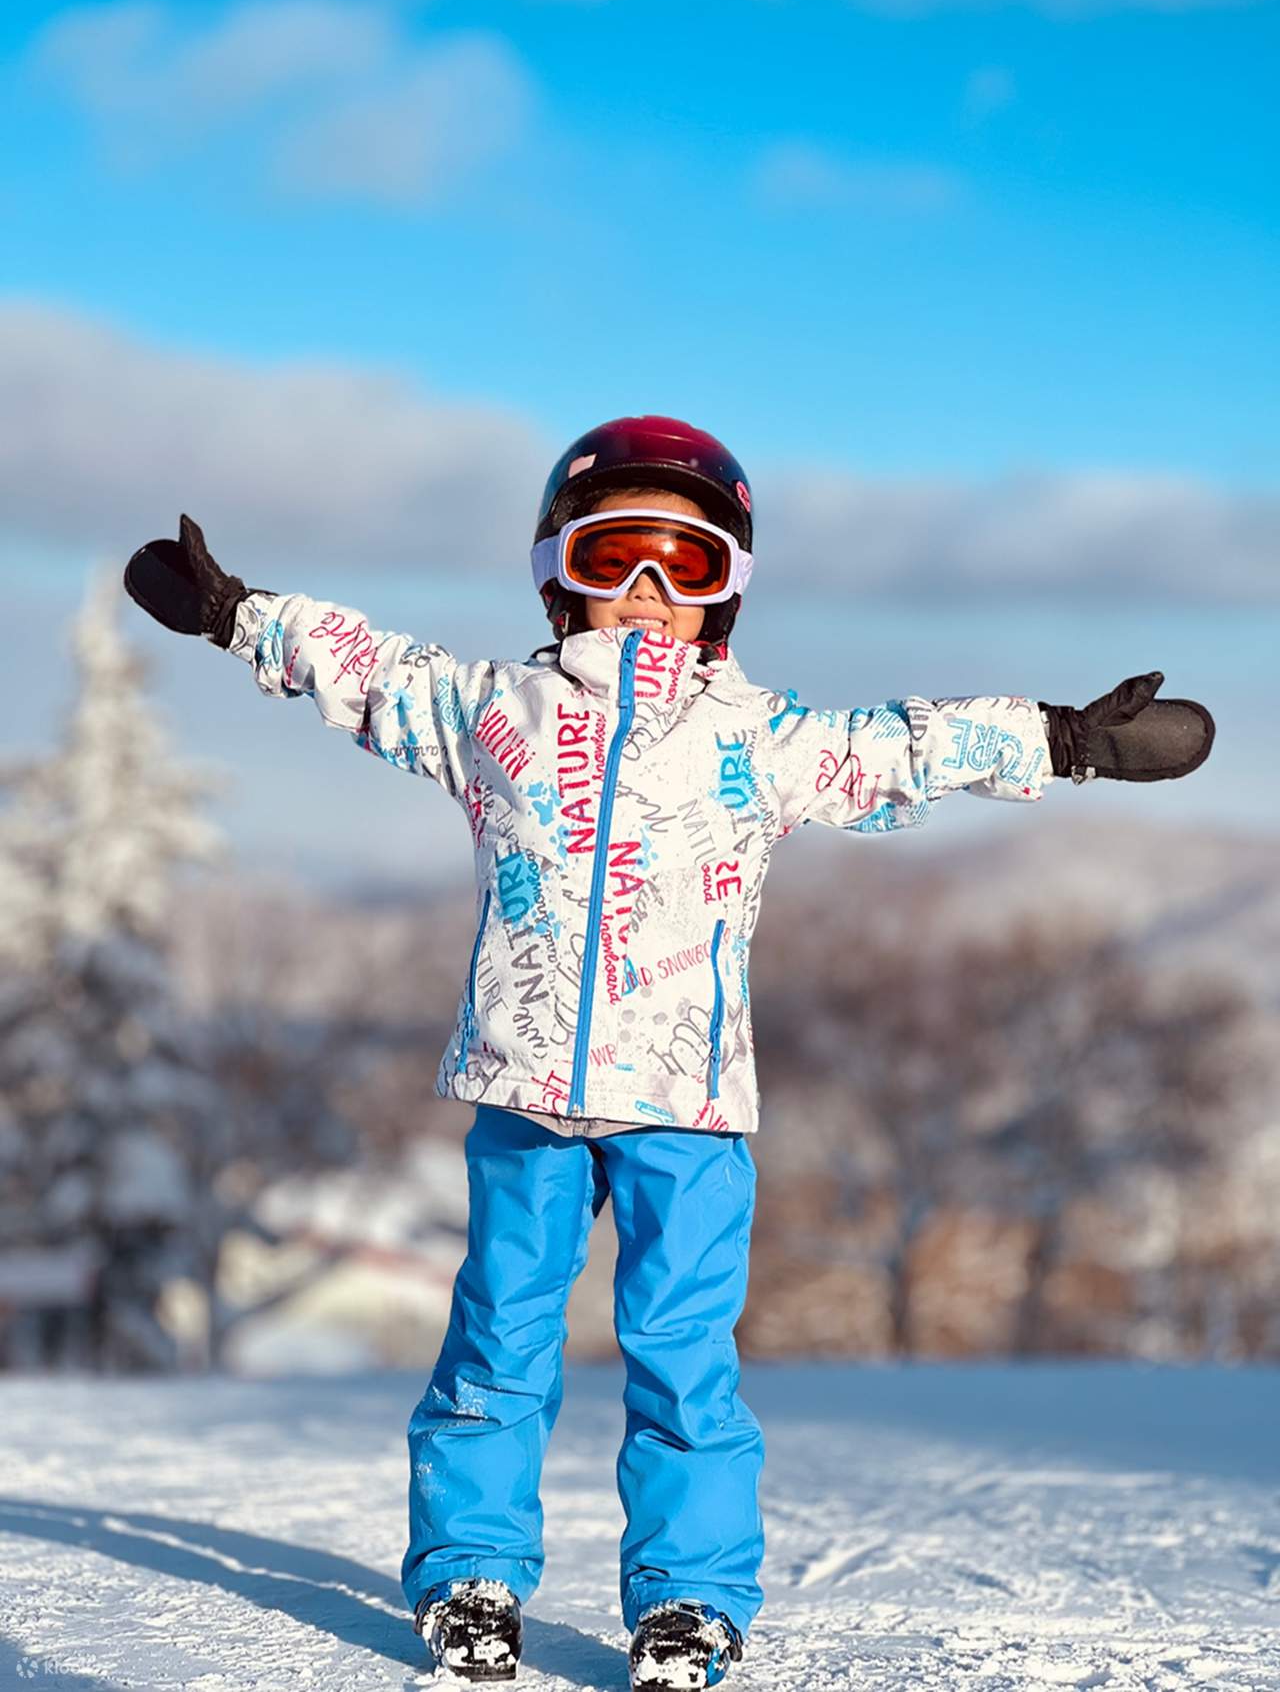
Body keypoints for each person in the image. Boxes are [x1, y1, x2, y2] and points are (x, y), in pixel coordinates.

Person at [122, 414, 1214, 1689]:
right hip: (523, 1090)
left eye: (683, 566)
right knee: (496, 1338)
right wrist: (237, 613)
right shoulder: (496, 712)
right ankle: (471, 1574)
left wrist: (1063, 739)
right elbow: (368, 667)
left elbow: (900, 742)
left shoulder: (760, 738)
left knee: (682, 1357)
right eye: (616, 553)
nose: (645, 595)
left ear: (726, 593)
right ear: (558, 570)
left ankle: (687, 1601)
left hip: (687, 1108)